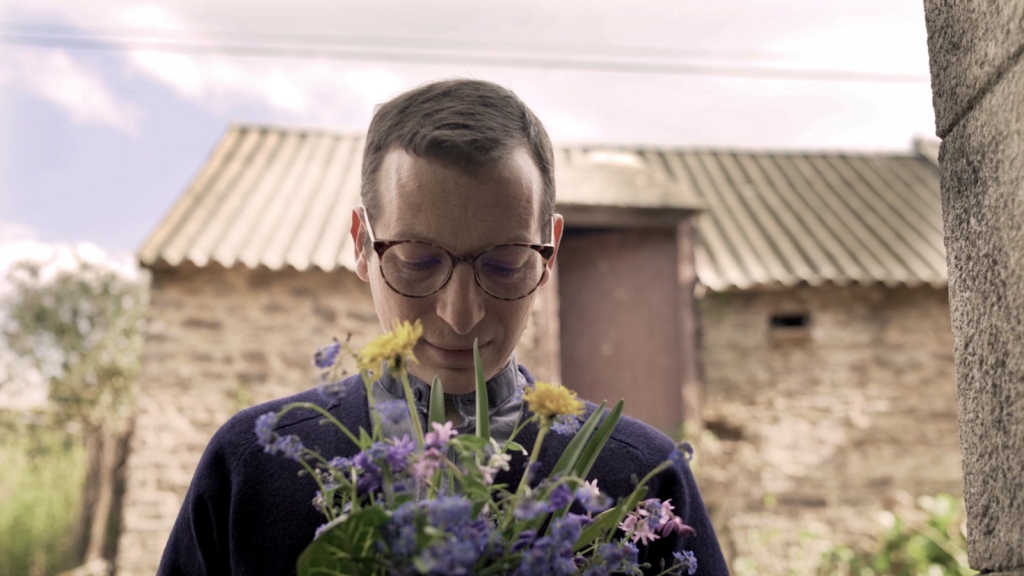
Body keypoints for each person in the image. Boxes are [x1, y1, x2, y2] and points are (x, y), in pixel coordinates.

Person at [158, 79, 728, 575]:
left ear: (548, 254)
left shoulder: (643, 481)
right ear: (361, 245)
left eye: (504, 265)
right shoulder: (251, 469)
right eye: (417, 261)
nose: (460, 314)